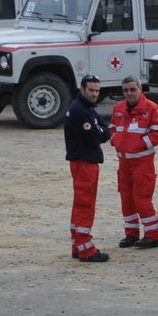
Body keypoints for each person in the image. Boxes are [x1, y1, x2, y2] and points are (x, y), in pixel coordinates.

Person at [109, 75, 158, 249]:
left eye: (132, 89)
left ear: (140, 89)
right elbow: (112, 127)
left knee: (141, 199)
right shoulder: (118, 108)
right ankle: (131, 234)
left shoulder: (152, 108)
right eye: (125, 90)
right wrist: (115, 140)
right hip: (124, 163)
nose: (129, 93)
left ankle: (153, 235)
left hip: (142, 163)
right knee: (126, 199)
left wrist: (140, 145)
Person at [64, 74, 112, 263]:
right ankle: (86, 249)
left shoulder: (86, 108)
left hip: (83, 162)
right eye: (91, 90)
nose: (94, 94)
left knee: (80, 204)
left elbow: (104, 130)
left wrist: (100, 131)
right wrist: (100, 132)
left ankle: (78, 245)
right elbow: (95, 138)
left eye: (97, 90)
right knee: (85, 204)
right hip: (85, 163)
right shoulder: (81, 110)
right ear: (82, 89)